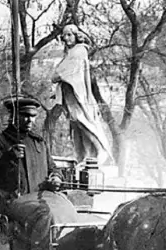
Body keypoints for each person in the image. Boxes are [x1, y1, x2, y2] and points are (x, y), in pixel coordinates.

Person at [0, 95, 78, 250]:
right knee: (45, 214)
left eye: (33, 116)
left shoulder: (39, 143)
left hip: (42, 198)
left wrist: (56, 178)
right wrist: (8, 157)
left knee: (69, 209)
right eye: (24, 115)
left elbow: (53, 168)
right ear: (13, 116)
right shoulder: (0, 142)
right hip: (14, 202)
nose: (29, 120)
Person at [51, 24, 112, 164]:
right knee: (77, 126)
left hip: (76, 94)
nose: (66, 38)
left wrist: (58, 75)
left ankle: (100, 149)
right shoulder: (71, 52)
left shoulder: (78, 51)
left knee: (82, 121)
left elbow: (58, 74)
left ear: (76, 35)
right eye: (64, 36)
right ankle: (85, 155)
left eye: (69, 35)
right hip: (69, 94)